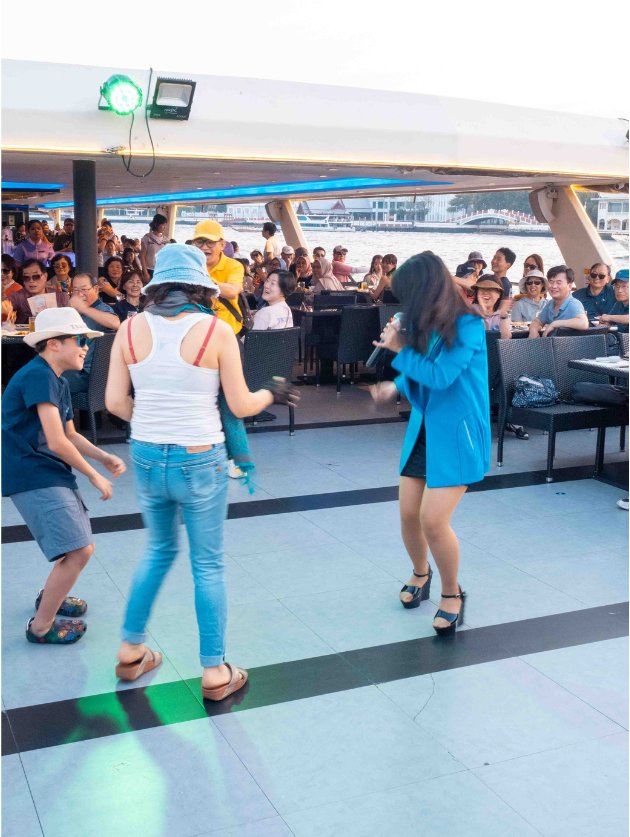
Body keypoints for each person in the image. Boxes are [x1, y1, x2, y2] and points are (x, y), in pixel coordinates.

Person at [104, 244, 298, 697]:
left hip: (148, 455)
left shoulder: (129, 329)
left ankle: (130, 651)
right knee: (207, 564)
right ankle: (214, 672)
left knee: (157, 550)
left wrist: (155, 421)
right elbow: (239, 404)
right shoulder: (215, 330)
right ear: (200, 286)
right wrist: (273, 393)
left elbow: (114, 403)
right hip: (200, 457)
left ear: (157, 286)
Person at [370, 251, 490, 635]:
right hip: (424, 429)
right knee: (408, 514)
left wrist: (399, 351)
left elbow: (441, 377)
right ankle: (421, 574)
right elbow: (421, 373)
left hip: (457, 434)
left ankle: (452, 592)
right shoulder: (422, 323)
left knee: (433, 520)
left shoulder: (470, 325)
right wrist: (397, 383)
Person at [1, 307, 125, 644]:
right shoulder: (39, 376)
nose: (86, 346)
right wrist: (93, 476)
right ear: (53, 344)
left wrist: (102, 458)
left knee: (76, 547)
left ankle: (50, 596)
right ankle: (41, 627)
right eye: (80, 340)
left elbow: (70, 435)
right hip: (32, 472)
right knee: (80, 550)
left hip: (46, 469)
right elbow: (56, 440)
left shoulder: (57, 380)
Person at [63, 273, 120, 394]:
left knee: (52, 380)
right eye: (75, 290)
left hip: (90, 374)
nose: (79, 294)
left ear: (95, 289)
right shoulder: (74, 311)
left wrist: (84, 309)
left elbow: (116, 323)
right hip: (72, 367)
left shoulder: (102, 309)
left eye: (84, 289)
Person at [191, 220, 245, 337]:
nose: (204, 247)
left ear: (222, 245)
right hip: (196, 330)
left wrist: (201, 279)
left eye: (210, 242)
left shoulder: (233, 266)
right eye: (199, 242)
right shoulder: (189, 265)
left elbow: (232, 292)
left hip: (226, 331)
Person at [529, 265, 588, 337]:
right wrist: (533, 330)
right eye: (551, 282)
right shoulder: (551, 304)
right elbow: (538, 321)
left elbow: (584, 323)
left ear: (569, 286)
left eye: (558, 282)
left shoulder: (573, 303)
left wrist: (555, 324)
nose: (554, 286)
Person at [10, 259, 70, 323]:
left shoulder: (60, 297)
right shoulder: (16, 297)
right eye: (26, 278)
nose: (31, 281)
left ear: (45, 276)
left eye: (36, 276)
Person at [140, 213, 168, 283]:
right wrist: (145, 273)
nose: (164, 227)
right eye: (163, 225)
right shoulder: (147, 238)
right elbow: (142, 256)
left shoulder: (166, 240)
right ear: (156, 224)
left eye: (165, 225)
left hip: (160, 270)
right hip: (149, 270)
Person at [599, 268, 629, 333]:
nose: (619, 290)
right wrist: (604, 323)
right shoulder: (618, 304)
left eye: (624, 286)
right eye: (617, 286)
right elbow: (609, 322)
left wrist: (608, 317)